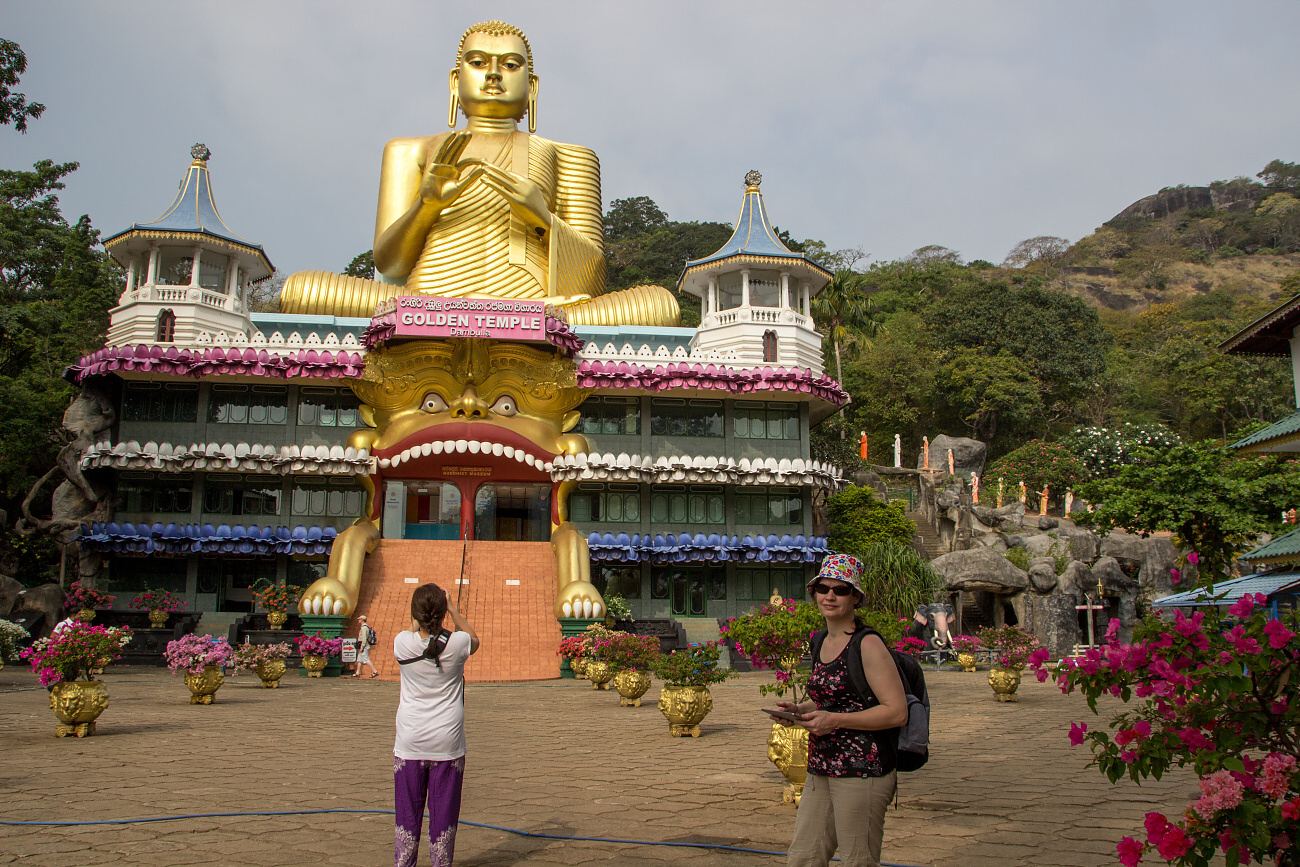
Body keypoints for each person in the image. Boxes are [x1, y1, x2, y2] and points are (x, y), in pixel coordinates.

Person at [278, 19, 677, 326]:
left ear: (532, 87)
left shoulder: (568, 155)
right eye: (478, 62)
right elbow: (391, 266)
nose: (493, 74)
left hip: (534, 307)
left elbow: (590, 282)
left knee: (659, 304)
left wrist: (542, 217)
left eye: (510, 64)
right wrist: (426, 206)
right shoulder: (410, 150)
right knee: (301, 289)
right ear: (456, 81)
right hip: (428, 303)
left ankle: (510, 318)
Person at [774, 555, 909, 867]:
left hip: (863, 768)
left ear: (856, 597)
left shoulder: (867, 644)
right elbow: (830, 698)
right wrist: (798, 710)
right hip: (822, 765)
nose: (830, 596)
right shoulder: (820, 640)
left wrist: (836, 720)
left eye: (841, 590)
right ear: (814, 593)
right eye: (823, 588)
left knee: (856, 860)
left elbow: (897, 712)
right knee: (803, 857)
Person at [393, 584, 480, 867]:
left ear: (415, 614)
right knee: (443, 815)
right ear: (443, 613)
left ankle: (404, 862)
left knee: (408, 813)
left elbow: (412, 632)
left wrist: (419, 615)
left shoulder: (401, 643)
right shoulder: (457, 644)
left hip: (410, 740)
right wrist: (452, 608)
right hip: (447, 740)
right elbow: (474, 639)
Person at [352, 614, 379, 678]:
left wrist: (362, 646)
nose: (358, 620)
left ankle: (375, 671)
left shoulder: (364, 628)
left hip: (364, 646)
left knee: (366, 659)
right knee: (359, 659)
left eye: (359, 619)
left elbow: (364, 638)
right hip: (364, 646)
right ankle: (357, 672)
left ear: (362, 620)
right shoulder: (365, 627)